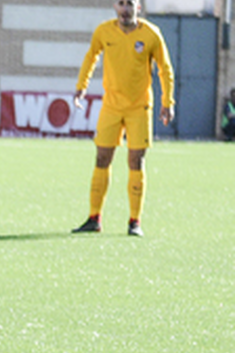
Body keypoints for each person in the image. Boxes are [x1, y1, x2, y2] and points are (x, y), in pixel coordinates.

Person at [71, 0, 174, 237]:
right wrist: (81, 86)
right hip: (111, 106)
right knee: (102, 157)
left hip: (140, 107)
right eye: (121, 3)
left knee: (136, 161)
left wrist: (168, 102)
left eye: (130, 4)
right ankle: (94, 218)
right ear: (115, 6)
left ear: (138, 7)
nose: (125, 9)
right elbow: (91, 57)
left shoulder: (151, 34)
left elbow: (165, 69)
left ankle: (134, 222)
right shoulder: (103, 31)